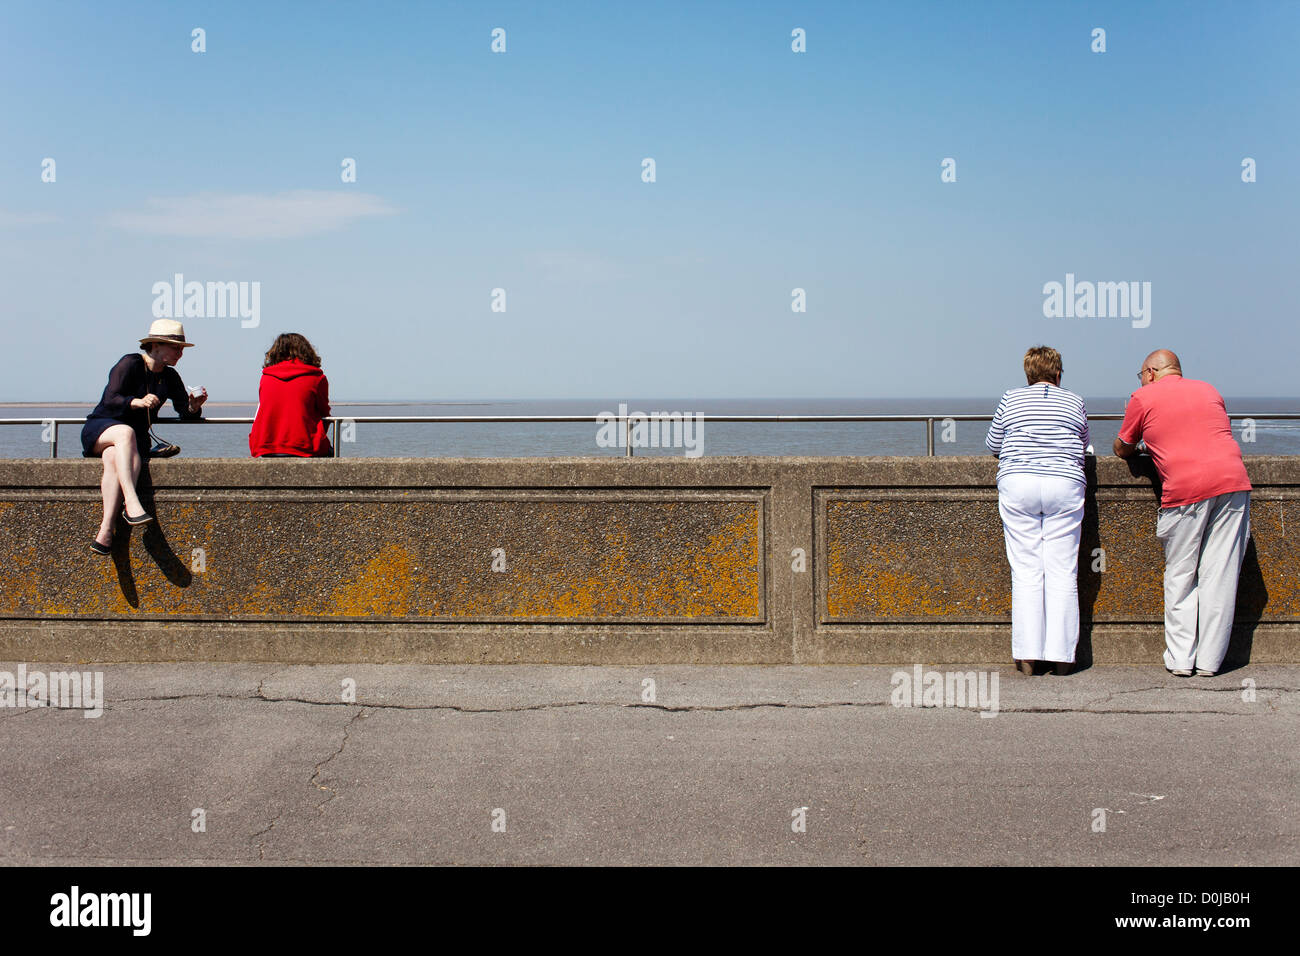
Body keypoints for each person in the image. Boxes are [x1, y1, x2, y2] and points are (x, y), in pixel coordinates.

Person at [1113, 350, 1251, 677]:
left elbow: (1122, 446)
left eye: (1140, 375)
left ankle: (1180, 659)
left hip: (1186, 490)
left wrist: (1146, 445)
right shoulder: (1209, 390)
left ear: (1149, 372)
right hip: (1233, 483)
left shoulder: (1142, 397)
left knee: (1181, 574)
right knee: (1221, 576)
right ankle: (1209, 662)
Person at [986, 346, 1090, 676]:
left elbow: (993, 443)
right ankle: (1061, 658)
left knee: (1027, 571)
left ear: (1028, 374)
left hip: (1019, 484)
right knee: (1062, 571)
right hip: (1064, 484)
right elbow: (1084, 440)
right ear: (1058, 374)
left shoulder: (1011, 398)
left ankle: (1029, 657)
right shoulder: (1074, 401)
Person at [82, 319, 207, 553]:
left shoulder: (170, 377)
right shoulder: (130, 363)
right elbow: (110, 399)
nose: (180, 353)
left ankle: (105, 532)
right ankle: (131, 501)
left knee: (113, 460)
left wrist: (193, 406)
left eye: (181, 348)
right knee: (125, 432)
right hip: (102, 428)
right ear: (156, 346)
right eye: (175, 347)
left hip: (132, 442)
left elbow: (185, 412)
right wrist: (135, 402)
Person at [249, 333, 333, 458]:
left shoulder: (266, 377)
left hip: (267, 446)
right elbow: (324, 413)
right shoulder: (317, 378)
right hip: (304, 446)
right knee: (332, 454)